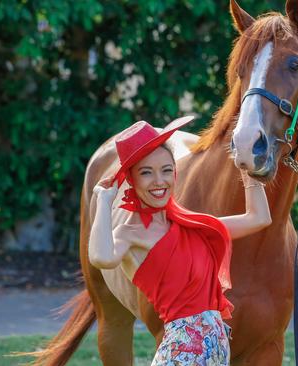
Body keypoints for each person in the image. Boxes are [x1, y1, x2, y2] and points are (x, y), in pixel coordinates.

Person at [89, 116, 271, 366]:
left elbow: (259, 218)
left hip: (214, 352)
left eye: (166, 170)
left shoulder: (191, 225)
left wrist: (246, 166)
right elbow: (101, 257)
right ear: (131, 179)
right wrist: (104, 200)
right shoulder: (129, 232)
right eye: (146, 173)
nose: (159, 181)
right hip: (182, 354)